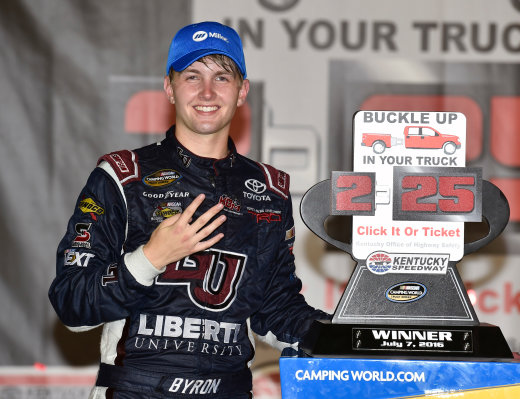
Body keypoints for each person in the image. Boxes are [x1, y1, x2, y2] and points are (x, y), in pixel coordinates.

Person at [49, 21, 329, 399]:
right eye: (192, 76)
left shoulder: (269, 189)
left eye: (222, 77)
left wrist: (346, 335)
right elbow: (71, 303)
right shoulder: (122, 176)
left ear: (242, 90)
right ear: (169, 87)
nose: (207, 92)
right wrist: (151, 257)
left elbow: (274, 309)